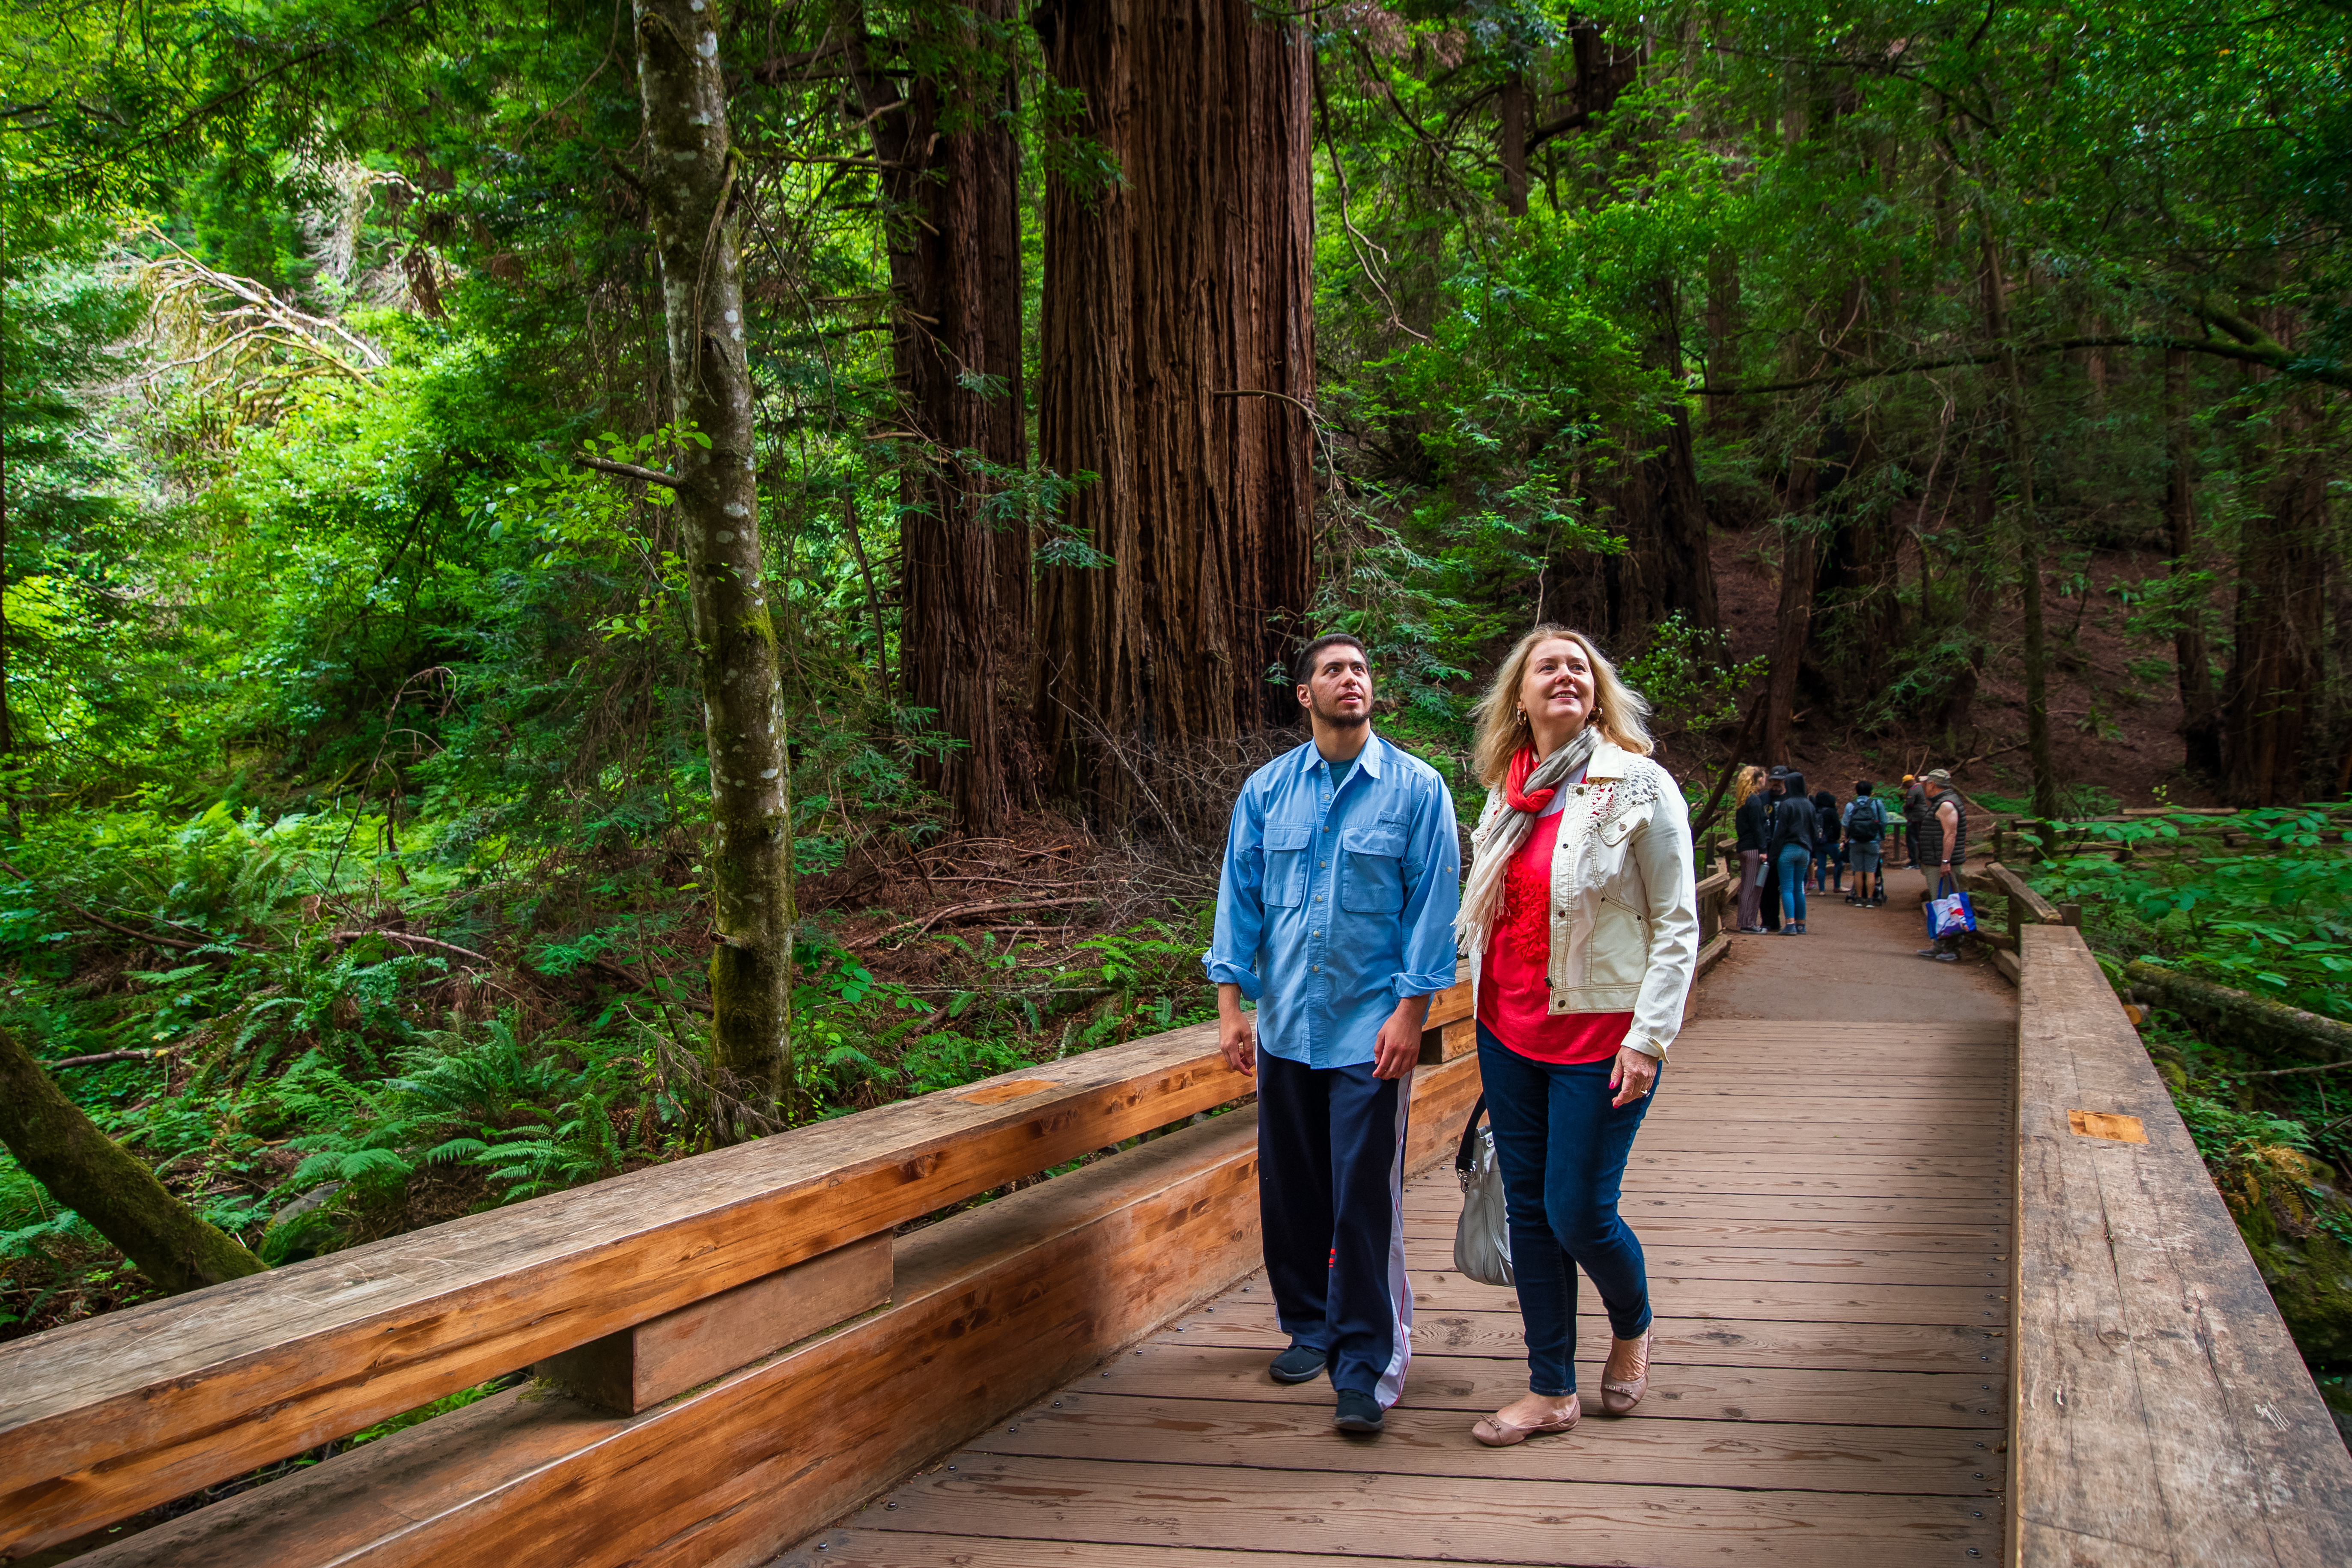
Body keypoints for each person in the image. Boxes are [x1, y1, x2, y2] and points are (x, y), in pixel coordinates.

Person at [1204, 632, 1461, 1435]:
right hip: (1284, 1025)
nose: (1350, 680)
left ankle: (1363, 1365)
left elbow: (1431, 913)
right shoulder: (1267, 791)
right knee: (1291, 1189)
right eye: (1332, 671)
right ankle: (1308, 1329)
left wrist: (1410, 1016)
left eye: (1359, 670)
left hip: (1368, 1030)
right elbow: (1237, 901)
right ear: (1304, 695)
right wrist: (1229, 1006)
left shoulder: (1417, 790)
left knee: (1361, 1202)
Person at [1454, 625, 1698, 1446]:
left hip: (1604, 1038)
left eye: (1578, 665)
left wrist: (1648, 1036)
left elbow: (1676, 923)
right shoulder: (1506, 790)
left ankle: (1631, 1323)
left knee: (1577, 1211)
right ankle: (1549, 1387)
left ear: (1596, 691)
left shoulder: (1638, 785)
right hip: (1508, 1029)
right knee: (1528, 1209)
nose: (1564, 674)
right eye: (1545, 666)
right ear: (1518, 699)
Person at [1914, 767, 1971, 963]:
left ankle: (1953, 948)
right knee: (1940, 904)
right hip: (1936, 860)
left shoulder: (1947, 805)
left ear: (1932, 784)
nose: (1923, 787)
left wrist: (1945, 861)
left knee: (1949, 904)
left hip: (1943, 863)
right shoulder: (1941, 803)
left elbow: (1951, 834)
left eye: (1925, 783)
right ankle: (1939, 945)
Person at [1767, 767, 1818, 933]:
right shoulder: (1810, 805)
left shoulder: (1787, 804)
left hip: (1788, 850)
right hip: (1805, 851)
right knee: (1799, 887)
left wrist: (1773, 855)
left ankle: (1790, 924)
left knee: (1786, 888)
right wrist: (1812, 850)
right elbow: (1814, 831)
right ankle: (1801, 924)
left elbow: (1780, 832)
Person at [1731, 765, 1771, 933]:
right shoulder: (1754, 800)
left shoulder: (1744, 799)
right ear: (1758, 779)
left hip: (1745, 847)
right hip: (1753, 848)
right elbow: (1758, 828)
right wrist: (1763, 849)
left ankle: (1747, 921)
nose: (1765, 780)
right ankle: (1748, 923)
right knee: (1752, 886)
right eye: (1764, 777)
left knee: (1749, 884)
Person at [1843, 780, 1889, 906]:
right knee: (1871, 871)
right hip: (1873, 840)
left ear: (1856, 791)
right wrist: (1881, 835)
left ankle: (1858, 899)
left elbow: (1846, 823)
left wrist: (1848, 836)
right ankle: (1870, 900)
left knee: (1858, 871)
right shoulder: (1877, 803)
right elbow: (1884, 821)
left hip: (1855, 841)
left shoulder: (1850, 806)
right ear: (1871, 792)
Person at [1811, 784, 1842, 894]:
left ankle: (1822, 890)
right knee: (1839, 861)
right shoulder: (1831, 812)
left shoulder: (1814, 811)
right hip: (1830, 842)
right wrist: (1836, 838)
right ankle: (1837, 886)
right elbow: (1837, 826)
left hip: (1818, 843)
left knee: (1821, 866)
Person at [1901, 774, 1931, 871]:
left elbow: (1910, 804)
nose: (1905, 787)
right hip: (1924, 816)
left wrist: (1904, 808)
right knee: (1921, 839)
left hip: (1915, 817)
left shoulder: (1913, 789)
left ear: (1908, 782)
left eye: (1905, 785)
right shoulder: (1922, 787)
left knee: (1912, 840)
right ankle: (1922, 860)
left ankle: (1914, 861)